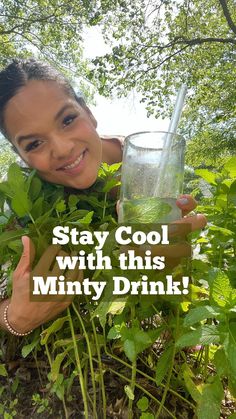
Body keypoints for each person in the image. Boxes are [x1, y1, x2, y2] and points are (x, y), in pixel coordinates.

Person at [0, 59, 206, 336]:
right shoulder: (28, 204)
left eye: (68, 119)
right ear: (21, 156)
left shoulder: (159, 171)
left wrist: (180, 263)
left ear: (89, 113)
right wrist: (13, 317)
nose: (62, 149)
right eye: (34, 144)